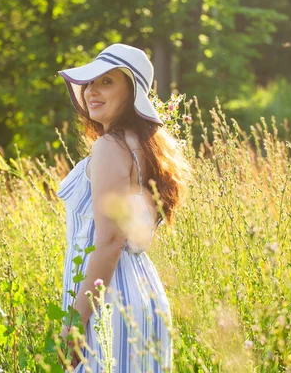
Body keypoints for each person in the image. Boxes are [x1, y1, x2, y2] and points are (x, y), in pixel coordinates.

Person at [55, 43, 191, 372]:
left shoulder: (109, 147)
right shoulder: (141, 146)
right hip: (138, 294)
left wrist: (75, 324)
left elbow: (110, 242)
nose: (91, 91)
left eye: (106, 82)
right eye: (89, 83)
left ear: (131, 94)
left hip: (110, 303)